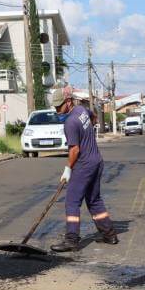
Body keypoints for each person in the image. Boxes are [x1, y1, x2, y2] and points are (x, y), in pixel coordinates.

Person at [51, 86, 119, 253]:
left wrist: (68, 169)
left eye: (59, 106)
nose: (57, 110)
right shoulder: (81, 110)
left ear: (68, 102)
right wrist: (89, 131)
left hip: (84, 165)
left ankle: (71, 240)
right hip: (97, 161)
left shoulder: (70, 122)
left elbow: (74, 150)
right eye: (55, 107)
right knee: (94, 200)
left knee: (72, 202)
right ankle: (109, 235)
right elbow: (93, 116)